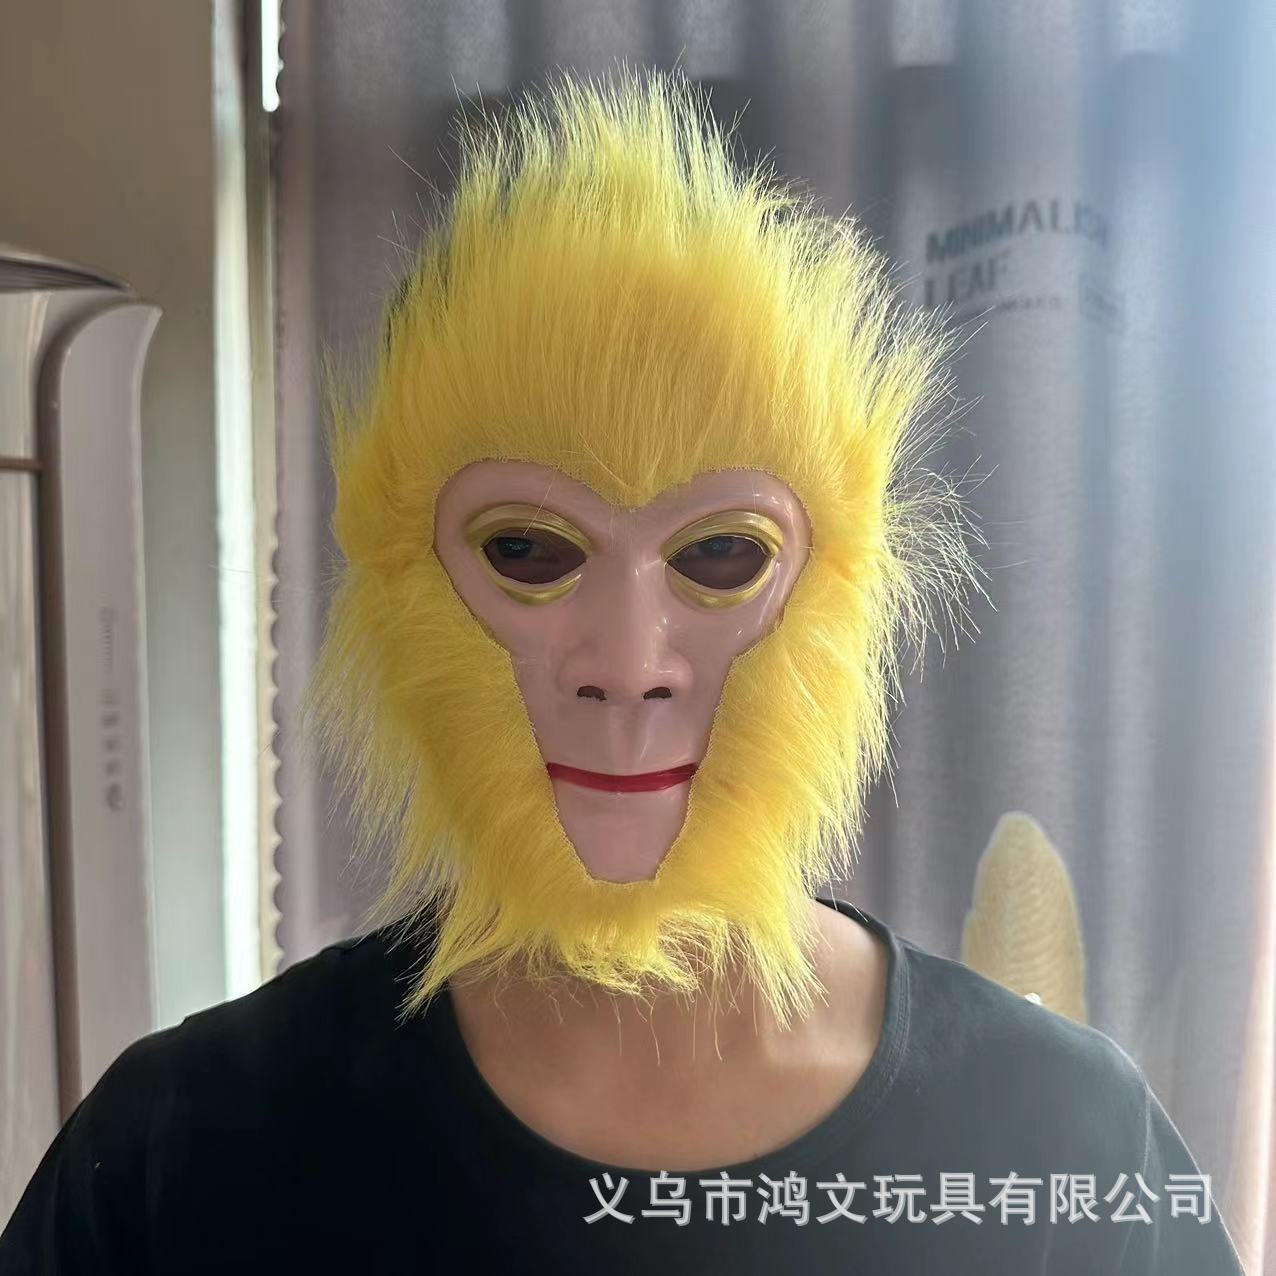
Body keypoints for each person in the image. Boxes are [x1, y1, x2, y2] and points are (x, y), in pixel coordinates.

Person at [1, 67, 1244, 1273]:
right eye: (527, 550)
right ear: (402, 578)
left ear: (839, 585)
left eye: (721, 554)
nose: (630, 664)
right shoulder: (185, 1152)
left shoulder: (1062, 1141)